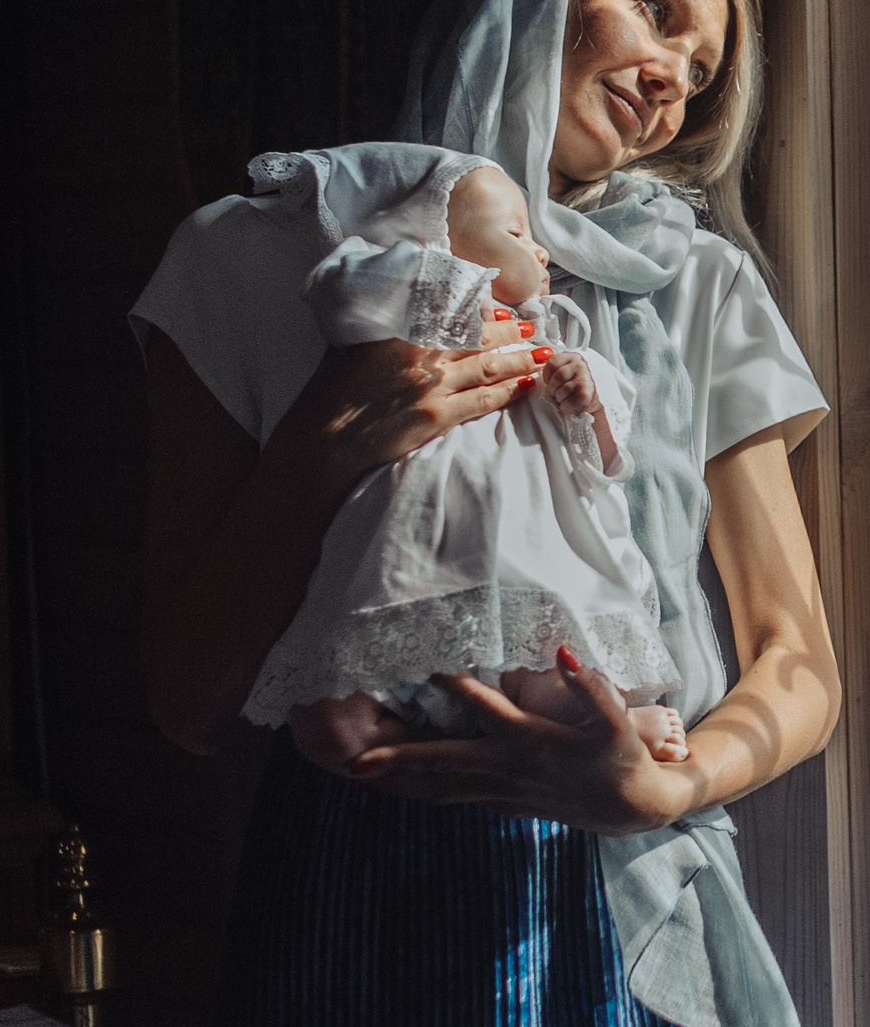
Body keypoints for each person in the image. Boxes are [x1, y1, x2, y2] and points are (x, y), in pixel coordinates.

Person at [134, 0, 834, 1027]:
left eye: (699, 74)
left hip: (640, 903)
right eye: (654, 9)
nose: (669, 84)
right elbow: (183, 695)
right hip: (354, 900)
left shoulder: (692, 289)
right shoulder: (254, 259)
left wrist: (665, 778)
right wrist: (323, 447)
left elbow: (798, 659)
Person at [145, 142, 692, 769]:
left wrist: (581, 386)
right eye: (516, 233)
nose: (539, 251)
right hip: (407, 535)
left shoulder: (546, 334)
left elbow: (606, 447)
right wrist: (444, 288)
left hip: (520, 545)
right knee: (338, 701)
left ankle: (608, 716)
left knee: (553, 667)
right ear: (438, 242)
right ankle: (376, 742)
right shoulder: (394, 305)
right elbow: (344, 293)